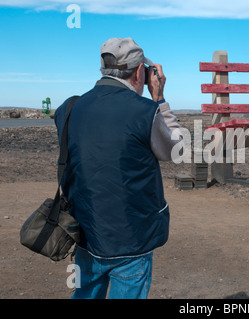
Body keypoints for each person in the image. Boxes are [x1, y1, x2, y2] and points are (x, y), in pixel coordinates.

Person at [54, 37, 182, 299]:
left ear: (103, 68)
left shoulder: (68, 108)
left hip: (85, 232)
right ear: (139, 72)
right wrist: (159, 99)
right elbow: (175, 150)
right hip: (132, 239)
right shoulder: (146, 111)